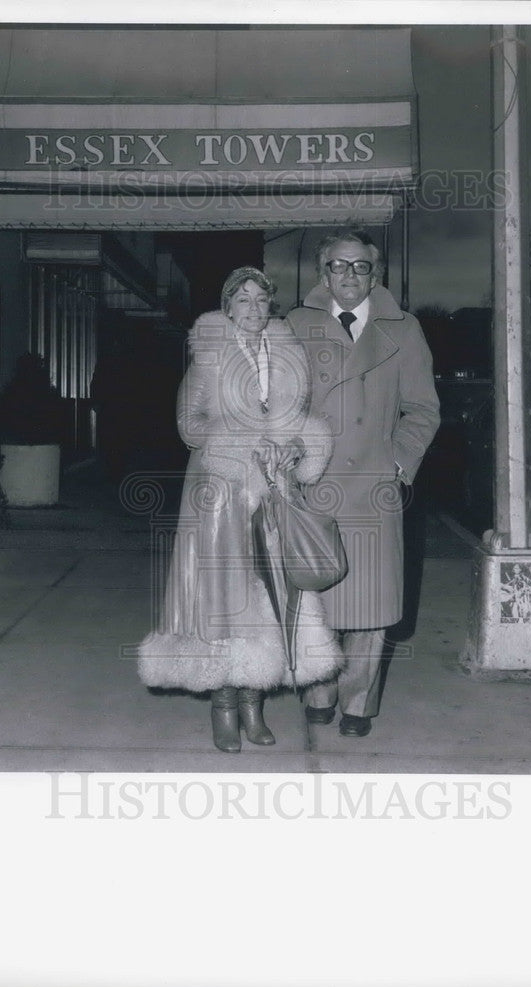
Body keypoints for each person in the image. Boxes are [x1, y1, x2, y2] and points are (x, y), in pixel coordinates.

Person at [137, 267, 343, 753]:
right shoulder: (209, 357)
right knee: (223, 599)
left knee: (271, 598)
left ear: (270, 305)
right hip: (220, 494)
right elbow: (189, 425)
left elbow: (299, 423)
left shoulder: (290, 358)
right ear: (228, 308)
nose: (252, 308)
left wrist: (294, 447)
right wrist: (244, 442)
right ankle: (225, 707)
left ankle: (255, 704)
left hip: (274, 492)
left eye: (260, 299)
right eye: (242, 299)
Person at [286, 231, 440, 737]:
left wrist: (398, 467)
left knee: (372, 611)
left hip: (375, 488)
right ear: (321, 272)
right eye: (338, 266)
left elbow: (422, 410)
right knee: (317, 600)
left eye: (360, 267)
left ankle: (358, 704)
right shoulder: (294, 326)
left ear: (376, 275)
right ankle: (320, 690)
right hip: (316, 486)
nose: (349, 277)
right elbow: (280, 405)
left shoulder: (406, 329)